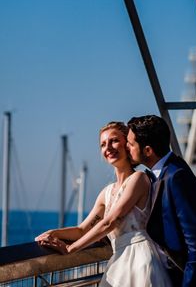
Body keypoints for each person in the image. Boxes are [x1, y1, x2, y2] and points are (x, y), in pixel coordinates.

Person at [35, 121, 172, 287]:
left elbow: (110, 221)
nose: (108, 147)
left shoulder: (139, 179)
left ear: (127, 144)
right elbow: (82, 230)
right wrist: (52, 233)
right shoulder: (106, 193)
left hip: (140, 259)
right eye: (103, 144)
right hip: (119, 261)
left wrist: (71, 249)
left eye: (114, 140)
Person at [126, 115, 196, 287]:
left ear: (148, 151)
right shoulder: (159, 174)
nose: (126, 147)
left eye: (130, 144)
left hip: (193, 280)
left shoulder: (177, 176)